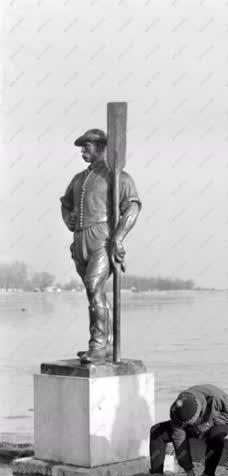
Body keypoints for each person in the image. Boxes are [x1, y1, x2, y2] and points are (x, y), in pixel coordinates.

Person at [60, 128, 142, 363]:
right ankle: (106, 344)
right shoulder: (78, 179)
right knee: (93, 293)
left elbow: (133, 207)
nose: (82, 151)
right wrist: (69, 219)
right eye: (82, 147)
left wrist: (118, 237)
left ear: (101, 147)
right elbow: (65, 204)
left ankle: (97, 345)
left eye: (86, 147)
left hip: (103, 238)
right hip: (80, 240)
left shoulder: (118, 177)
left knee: (93, 285)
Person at [133, 384, 228, 476]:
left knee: (215, 437)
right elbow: (179, 440)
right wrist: (189, 471)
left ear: (200, 410)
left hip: (217, 423)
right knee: (157, 430)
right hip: (192, 428)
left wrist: (208, 424)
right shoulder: (177, 410)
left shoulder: (215, 396)